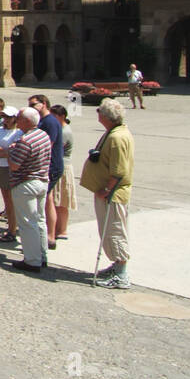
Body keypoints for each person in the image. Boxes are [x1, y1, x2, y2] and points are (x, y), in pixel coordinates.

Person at [81, 98, 135, 289]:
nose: (98, 114)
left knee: (114, 231)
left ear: (106, 116)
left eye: (100, 111)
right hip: (108, 192)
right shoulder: (113, 133)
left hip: (113, 195)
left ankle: (121, 274)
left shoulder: (117, 138)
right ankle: (116, 265)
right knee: (109, 231)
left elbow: (119, 171)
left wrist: (106, 190)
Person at [6, 106, 51, 273]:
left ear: (27, 121)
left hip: (26, 183)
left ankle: (32, 260)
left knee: (27, 223)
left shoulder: (25, 141)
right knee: (40, 220)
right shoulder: (43, 135)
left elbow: (14, 165)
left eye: (19, 118)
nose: (16, 120)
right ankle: (42, 255)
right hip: (41, 181)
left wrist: (10, 152)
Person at [29, 94, 65, 251]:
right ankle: (49, 235)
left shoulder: (50, 121)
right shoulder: (42, 120)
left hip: (50, 166)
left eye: (34, 105)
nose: (31, 108)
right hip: (45, 166)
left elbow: (46, 145)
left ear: (43, 104)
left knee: (44, 201)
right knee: (47, 200)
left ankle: (49, 235)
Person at [0, 106, 21, 242]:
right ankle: (11, 227)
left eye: (8, 117)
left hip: (12, 168)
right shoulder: (0, 130)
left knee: (13, 200)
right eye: (4, 117)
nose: (6, 120)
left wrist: (3, 152)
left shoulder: (18, 132)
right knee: (7, 200)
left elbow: (13, 151)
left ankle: (13, 229)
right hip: (1, 166)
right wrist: (2, 152)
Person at [50, 104, 76, 241]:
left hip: (63, 167)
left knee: (61, 201)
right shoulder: (60, 129)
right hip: (60, 166)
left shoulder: (64, 132)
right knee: (56, 201)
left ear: (62, 116)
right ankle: (57, 229)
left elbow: (54, 148)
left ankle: (62, 229)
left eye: (54, 116)